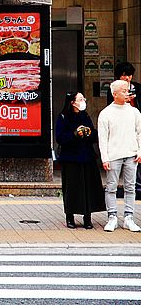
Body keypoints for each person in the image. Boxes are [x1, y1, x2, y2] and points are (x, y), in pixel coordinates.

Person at [55, 91, 105, 229]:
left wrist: (88, 133)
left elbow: (95, 134)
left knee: (88, 187)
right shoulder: (63, 117)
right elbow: (60, 138)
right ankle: (70, 216)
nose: (83, 101)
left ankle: (87, 217)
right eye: (80, 99)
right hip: (70, 158)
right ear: (72, 102)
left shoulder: (85, 115)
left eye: (83, 98)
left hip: (87, 157)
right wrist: (74, 134)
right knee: (72, 188)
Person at [98, 79, 141, 232]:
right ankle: (112, 217)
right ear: (114, 94)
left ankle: (129, 218)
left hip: (131, 153)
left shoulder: (135, 112)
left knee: (131, 187)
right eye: (123, 90)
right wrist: (105, 158)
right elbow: (102, 138)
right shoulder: (106, 113)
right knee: (111, 187)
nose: (127, 92)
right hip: (113, 154)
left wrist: (139, 150)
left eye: (127, 89)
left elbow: (139, 133)